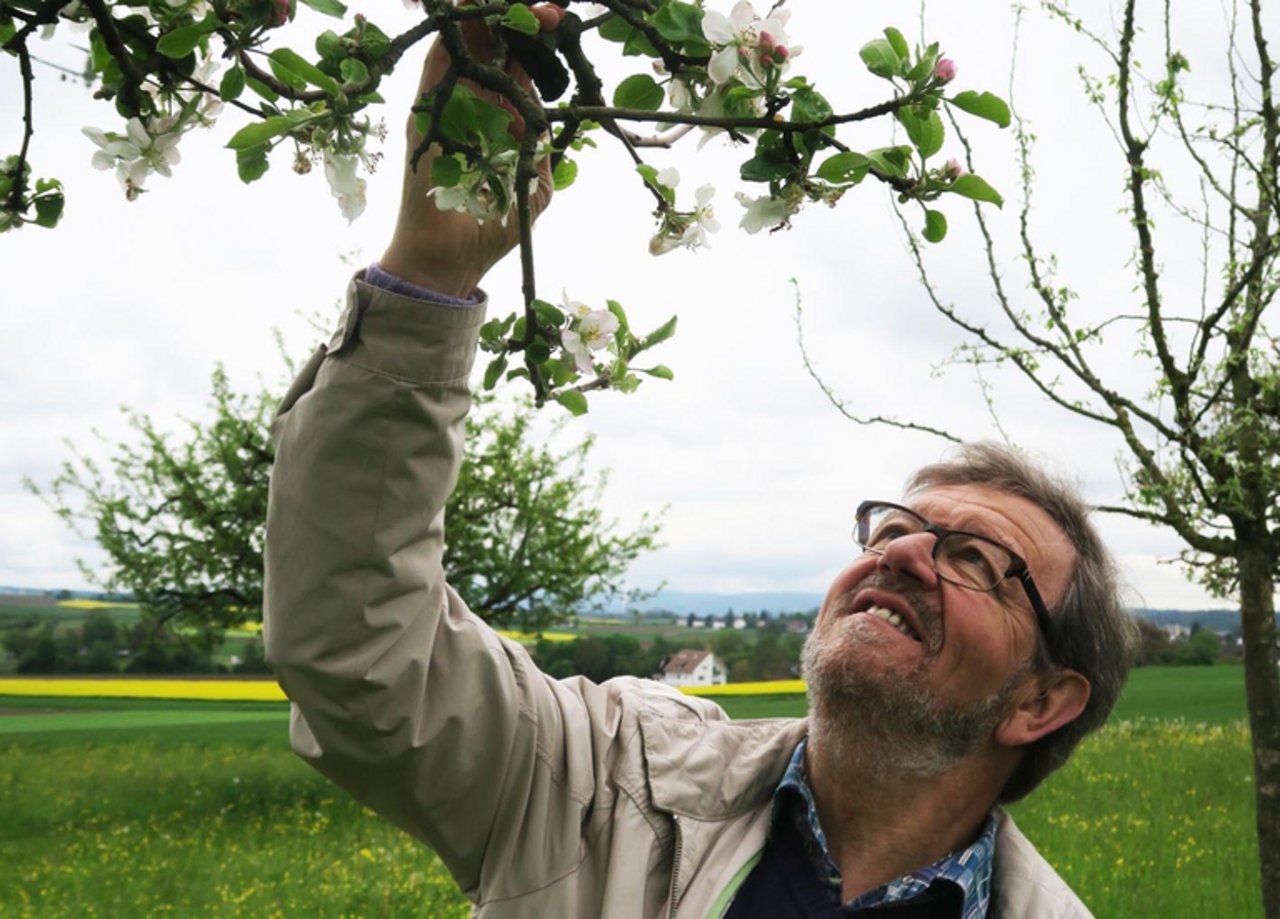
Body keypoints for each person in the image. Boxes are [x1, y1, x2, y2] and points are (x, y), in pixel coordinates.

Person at [263, 9, 1137, 917]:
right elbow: (361, 645)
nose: (904, 552)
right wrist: (430, 274)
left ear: (1040, 702)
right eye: (894, 529)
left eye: (976, 559)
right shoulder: (607, 784)